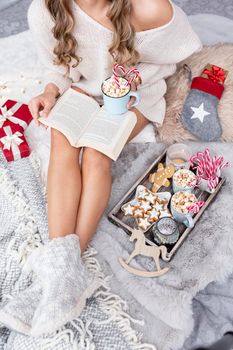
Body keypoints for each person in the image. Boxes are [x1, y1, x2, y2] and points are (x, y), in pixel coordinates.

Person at [0, 0, 203, 337]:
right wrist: (51, 92)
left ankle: (62, 277)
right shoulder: (45, 11)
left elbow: (181, 48)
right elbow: (56, 67)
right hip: (82, 90)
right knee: (63, 141)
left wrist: (134, 73)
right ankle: (61, 276)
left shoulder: (148, 8)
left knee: (95, 153)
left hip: (135, 96)